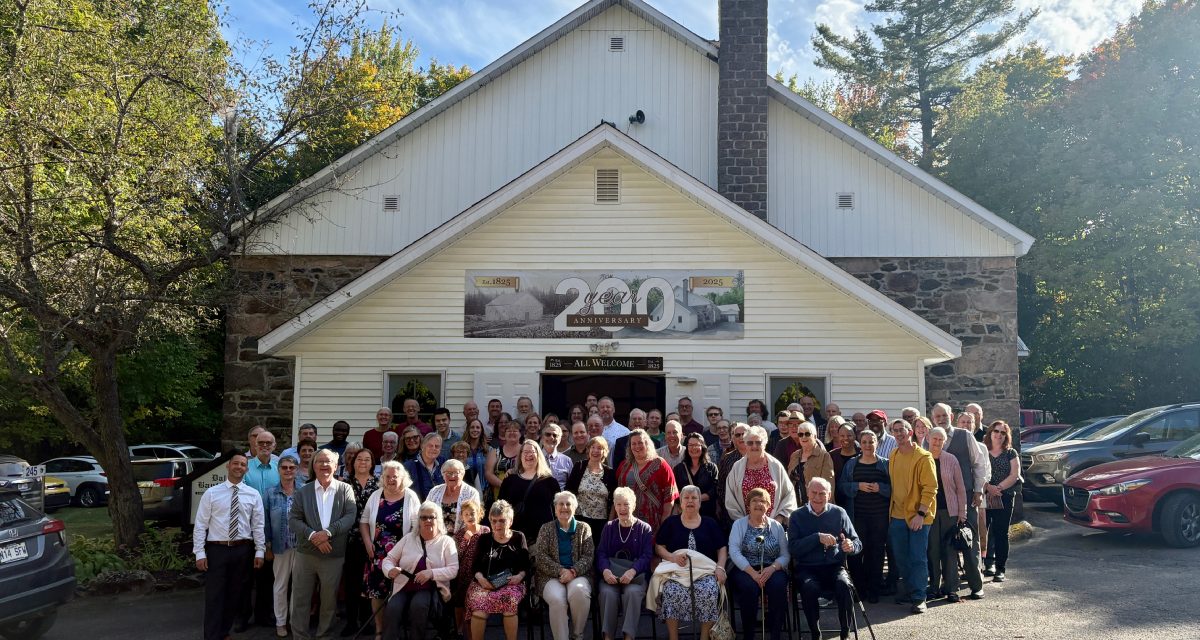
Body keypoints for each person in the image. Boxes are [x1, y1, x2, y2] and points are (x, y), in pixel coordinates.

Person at [194, 453, 266, 640]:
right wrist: (199, 553)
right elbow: (201, 524)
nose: (239, 467)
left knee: (235, 594)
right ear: (228, 466)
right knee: (214, 596)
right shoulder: (212, 493)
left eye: (243, 464)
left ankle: (224, 632)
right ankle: (211, 636)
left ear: (246, 469)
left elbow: (258, 525)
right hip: (217, 549)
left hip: (243, 549)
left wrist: (260, 550)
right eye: (236, 463)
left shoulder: (253, 494)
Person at [288, 449, 358, 640]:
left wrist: (327, 533)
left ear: (336, 466)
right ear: (314, 465)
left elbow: (350, 517)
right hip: (306, 554)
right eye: (320, 461)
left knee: (329, 601)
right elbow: (294, 520)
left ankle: (324, 635)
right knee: (301, 599)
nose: (324, 465)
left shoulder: (345, 490)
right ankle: (300, 636)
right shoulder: (303, 491)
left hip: (333, 556)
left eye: (328, 462)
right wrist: (313, 536)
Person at [650, 486, 728, 640]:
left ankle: (704, 637)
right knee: (671, 592)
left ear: (700, 503)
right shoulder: (671, 523)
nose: (690, 501)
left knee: (710, 590)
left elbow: (722, 548)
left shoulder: (710, 523)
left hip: (705, 572)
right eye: (686, 498)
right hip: (677, 571)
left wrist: (720, 568)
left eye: (694, 498)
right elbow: (659, 547)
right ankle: (674, 637)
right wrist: (672, 557)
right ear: (680, 502)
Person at [788, 478, 861, 640]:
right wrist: (816, 538)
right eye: (814, 493)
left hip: (834, 567)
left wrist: (851, 546)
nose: (817, 497)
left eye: (822, 494)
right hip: (807, 568)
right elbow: (793, 548)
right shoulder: (796, 516)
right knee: (809, 588)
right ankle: (815, 633)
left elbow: (857, 542)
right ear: (807, 493)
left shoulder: (839, 512)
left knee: (845, 584)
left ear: (829, 494)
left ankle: (845, 632)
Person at [380, 501, 459, 640]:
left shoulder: (447, 542)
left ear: (438, 519)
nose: (428, 520)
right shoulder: (408, 539)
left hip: (430, 589)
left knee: (419, 606)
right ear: (419, 521)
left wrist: (431, 573)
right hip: (404, 587)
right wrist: (389, 570)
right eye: (423, 517)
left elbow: (453, 570)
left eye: (432, 517)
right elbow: (388, 559)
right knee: (392, 609)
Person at [360, 461, 421, 640]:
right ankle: (380, 630)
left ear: (403, 478)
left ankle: (395, 631)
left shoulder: (410, 496)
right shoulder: (375, 496)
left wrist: (406, 551)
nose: (391, 479)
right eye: (388, 476)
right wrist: (366, 542)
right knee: (377, 594)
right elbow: (364, 521)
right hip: (377, 554)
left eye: (395, 476)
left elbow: (417, 527)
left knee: (399, 595)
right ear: (383, 478)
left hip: (402, 555)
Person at [886, 419, 937, 614]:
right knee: (901, 557)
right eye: (895, 431)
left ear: (910, 432)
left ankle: (919, 597)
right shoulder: (894, 454)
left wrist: (921, 514)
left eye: (902, 430)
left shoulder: (923, 457)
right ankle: (909, 590)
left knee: (917, 558)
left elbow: (931, 488)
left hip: (919, 516)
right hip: (897, 515)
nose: (899, 434)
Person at [729, 488, 790, 640]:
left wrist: (772, 568)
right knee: (748, 587)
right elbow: (734, 552)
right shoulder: (738, 525)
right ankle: (748, 635)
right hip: (746, 569)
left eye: (762, 501)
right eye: (754, 501)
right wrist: (753, 574)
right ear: (748, 505)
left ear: (768, 506)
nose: (758, 504)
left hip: (771, 568)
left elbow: (785, 554)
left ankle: (775, 634)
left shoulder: (776, 526)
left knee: (778, 585)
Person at [531, 492, 594, 640]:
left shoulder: (584, 528)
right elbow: (541, 557)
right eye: (561, 504)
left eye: (568, 504)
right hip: (550, 577)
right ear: (555, 508)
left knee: (579, 592)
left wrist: (573, 571)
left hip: (578, 575)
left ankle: (577, 635)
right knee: (557, 599)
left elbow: (588, 556)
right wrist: (560, 571)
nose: (564, 507)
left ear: (575, 508)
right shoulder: (546, 528)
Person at [838, 430, 891, 603]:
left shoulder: (885, 464)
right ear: (860, 443)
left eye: (872, 441)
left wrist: (880, 488)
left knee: (875, 554)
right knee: (855, 553)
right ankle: (859, 590)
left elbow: (895, 490)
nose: (868, 445)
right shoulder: (852, 464)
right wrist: (857, 486)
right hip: (857, 516)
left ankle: (874, 590)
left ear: (877, 443)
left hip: (879, 517)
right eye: (865, 442)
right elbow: (841, 487)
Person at [466, 500, 530, 640]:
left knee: (509, 603)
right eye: (493, 521)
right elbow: (475, 566)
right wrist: (481, 579)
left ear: (510, 521)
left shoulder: (518, 537)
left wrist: (519, 576)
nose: (497, 525)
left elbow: (526, 566)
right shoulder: (484, 539)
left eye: (502, 521)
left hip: (512, 583)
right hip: (484, 583)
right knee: (479, 608)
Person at [596, 487, 654, 640]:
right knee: (607, 593)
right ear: (614, 506)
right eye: (618, 504)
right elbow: (601, 553)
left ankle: (629, 637)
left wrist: (632, 571)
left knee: (632, 593)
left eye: (626, 504)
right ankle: (608, 637)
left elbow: (647, 556)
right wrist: (606, 571)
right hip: (611, 576)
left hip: (635, 577)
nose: (622, 508)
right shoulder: (609, 527)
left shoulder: (644, 528)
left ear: (633, 506)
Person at [945, 409, 990, 600]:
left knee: (970, 541)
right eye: (936, 416)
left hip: (968, 496)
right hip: (943, 499)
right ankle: (951, 588)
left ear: (950, 417)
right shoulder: (931, 437)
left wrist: (979, 490)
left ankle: (976, 585)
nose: (940, 419)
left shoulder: (965, 435)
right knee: (947, 544)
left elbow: (980, 464)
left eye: (943, 416)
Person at [243, 430, 281, 629]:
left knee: (267, 578)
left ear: (275, 446)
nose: (265, 446)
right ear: (255, 445)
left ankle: (263, 616)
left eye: (269, 443)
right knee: (245, 579)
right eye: (261, 443)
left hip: (271, 530)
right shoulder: (245, 468)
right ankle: (241, 618)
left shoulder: (279, 468)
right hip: (247, 529)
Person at [927, 427, 968, 602]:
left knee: (950, 551)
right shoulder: (922, 457)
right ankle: (934, 587)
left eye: (941, 440)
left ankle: (951, 588)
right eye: (934, 439)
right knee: (932, 551)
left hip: (949, 512)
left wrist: (962, 512)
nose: (937, 442)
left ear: (944, 442)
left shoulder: (951, 460)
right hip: (929, 512)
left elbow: (960, 488)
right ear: (928, 438)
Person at [725, 426, 798, 523]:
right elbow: (731, 500)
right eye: (750, 443)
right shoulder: (737, 467)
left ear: (764, 444)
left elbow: (789, 495)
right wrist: (744, 523)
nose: (754, 446)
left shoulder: (775, 465)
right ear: (745, 444)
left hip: (773, 524)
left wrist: (778, 519)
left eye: (758, 442)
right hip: (745, 526)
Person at [264, 454, 301, 637]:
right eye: (284, 467)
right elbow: (265, 523)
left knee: (299, 586)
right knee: (280, 585)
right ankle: (280, 622)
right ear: (278, 470)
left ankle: (295, 622)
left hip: (302, 547)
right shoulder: (270, 493)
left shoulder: (304, 491)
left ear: (296, 470)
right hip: (280, 546)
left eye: (291, 467)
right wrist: (267, 546)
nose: (288, 471)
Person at [343, 448, 379, 635]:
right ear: (353, 462)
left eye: (367, 459)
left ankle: (366, 621)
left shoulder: (379, 485)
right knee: (351, 583)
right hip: (349, 541)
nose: (363, 462)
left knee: (369, 582)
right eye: (359, 459)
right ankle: (350, 622)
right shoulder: (344, 484)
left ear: (372, 463)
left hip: (373, 541)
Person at [497, 440, 560, 543]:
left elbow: (557, 510)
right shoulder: (510, 480)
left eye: (532, 452)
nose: (529, 455)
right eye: (525, 452)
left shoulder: (550, 482)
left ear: (538, 455)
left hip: (543, 537)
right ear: (520, 456)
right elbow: (500, 507)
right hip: (514, 536)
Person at [616, 429, 679, 533]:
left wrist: (663, 523)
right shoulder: (624, 466)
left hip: (653, 521)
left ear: (647, 443)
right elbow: (618, 493)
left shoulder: (660, 464)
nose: (637, 446)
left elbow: (670, 497)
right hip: (626, 519)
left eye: (640, 443)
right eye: (633, 444)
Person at [983, 420, 1020, 582]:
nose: (999, 435)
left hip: (1004, 496)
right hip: (984, 495)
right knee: (982, 532)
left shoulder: (1011, 453)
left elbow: (1014, 475)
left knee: (1000, 533)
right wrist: (988, 487)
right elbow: (975, 471)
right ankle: (985, 564)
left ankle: (1000, 568)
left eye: (1003, 433)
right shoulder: (982, 450)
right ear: (990, 432)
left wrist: (998, 488)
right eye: (996, 431)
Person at [565, 436, 617, 538]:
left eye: (599, 448)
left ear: (604, 452)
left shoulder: (610, 473)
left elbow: (614, 501)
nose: (595, 451)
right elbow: (569, 493)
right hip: (579, 520)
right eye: (593, 447)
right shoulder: (579, 466)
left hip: (601, 523)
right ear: (588, 450)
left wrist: (609, 523)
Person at [451, 500, 490, 639]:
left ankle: (475, 627)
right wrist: (464, 541)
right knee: (460, 600)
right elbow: (456, 556)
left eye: (472, 513)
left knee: (474, 601)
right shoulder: (460, 534)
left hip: (480, 571)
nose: (470, 516)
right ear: (462, 516)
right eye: (466, 514)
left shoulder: (486, 530)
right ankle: (459, 627)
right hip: (464, 572)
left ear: (479, 513)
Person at [427, 459, 482, 533]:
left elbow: (474, 518)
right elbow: (426, 513)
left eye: (456, 473)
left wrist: (459, 539)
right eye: (448, 473)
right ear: (443, 475)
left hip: (463, 538)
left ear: (462, 474)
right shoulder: (434, 491)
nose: (452, 476)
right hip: (437, 538)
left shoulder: (471, 493)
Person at [787, 422, 835, 506]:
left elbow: (828, 485)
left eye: (807, 434)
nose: (803, 437)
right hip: (795, 504)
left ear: (815, 437)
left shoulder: (824, 456)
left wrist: (824, 507)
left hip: (816, 504)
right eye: (800, 434)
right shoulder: (794, 455)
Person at [673, 433, 719, 519]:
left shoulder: (711, 468)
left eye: (697, 445)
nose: (694, 448)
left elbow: (716, 490)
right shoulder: (679, 469)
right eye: (690, 445)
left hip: (707, 515)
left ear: (703, 447)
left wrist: (695, 499)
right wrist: (691, 500)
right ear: (686, 448)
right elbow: (674, 491)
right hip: (685, 516)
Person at [716, 422, 749, 525]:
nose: (741, 437)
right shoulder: (727, 458)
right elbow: (721, 485)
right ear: (733, 439)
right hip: (731, 513)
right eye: (737, 435)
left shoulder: (759, 456)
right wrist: (728, 505)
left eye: (744, 434)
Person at [484, 421, 522, 503]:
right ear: (504, 434)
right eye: (508, 431)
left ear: (520, 434)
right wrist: (504, 486)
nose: (512, 433)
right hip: (499, 493)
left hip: (521, 492)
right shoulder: (495, 452)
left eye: (515, 431)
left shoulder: (525, 451)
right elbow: (488, 473)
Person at [828, 420, 859, 504]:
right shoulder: (831, 455)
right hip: (838, 500)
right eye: (842, 435)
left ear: (855, 436)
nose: (846, 438)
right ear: (838, 436)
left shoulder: (862, 454)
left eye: (849, 435)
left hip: (859, 501)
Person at [406, 433, 445, 500]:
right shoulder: (408, 467)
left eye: (437, 446)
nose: (433, 448)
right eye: (430, 446)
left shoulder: (444, 465)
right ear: (422, 446)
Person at [460, 418, 491, 491]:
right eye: (472, 427)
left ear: (481, 431)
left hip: (485, 490)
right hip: (465, 490)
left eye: (478, 427)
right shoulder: (462, 450)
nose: (475, 430)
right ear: (468, 430)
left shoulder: (489, 450)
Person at [540, 423, 574, 489]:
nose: (551, 437)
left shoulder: (567, 461)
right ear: (542, 437)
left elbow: (571, 486)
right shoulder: (534, 458)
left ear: (560, 439)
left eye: (555, 435)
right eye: (548, 434)